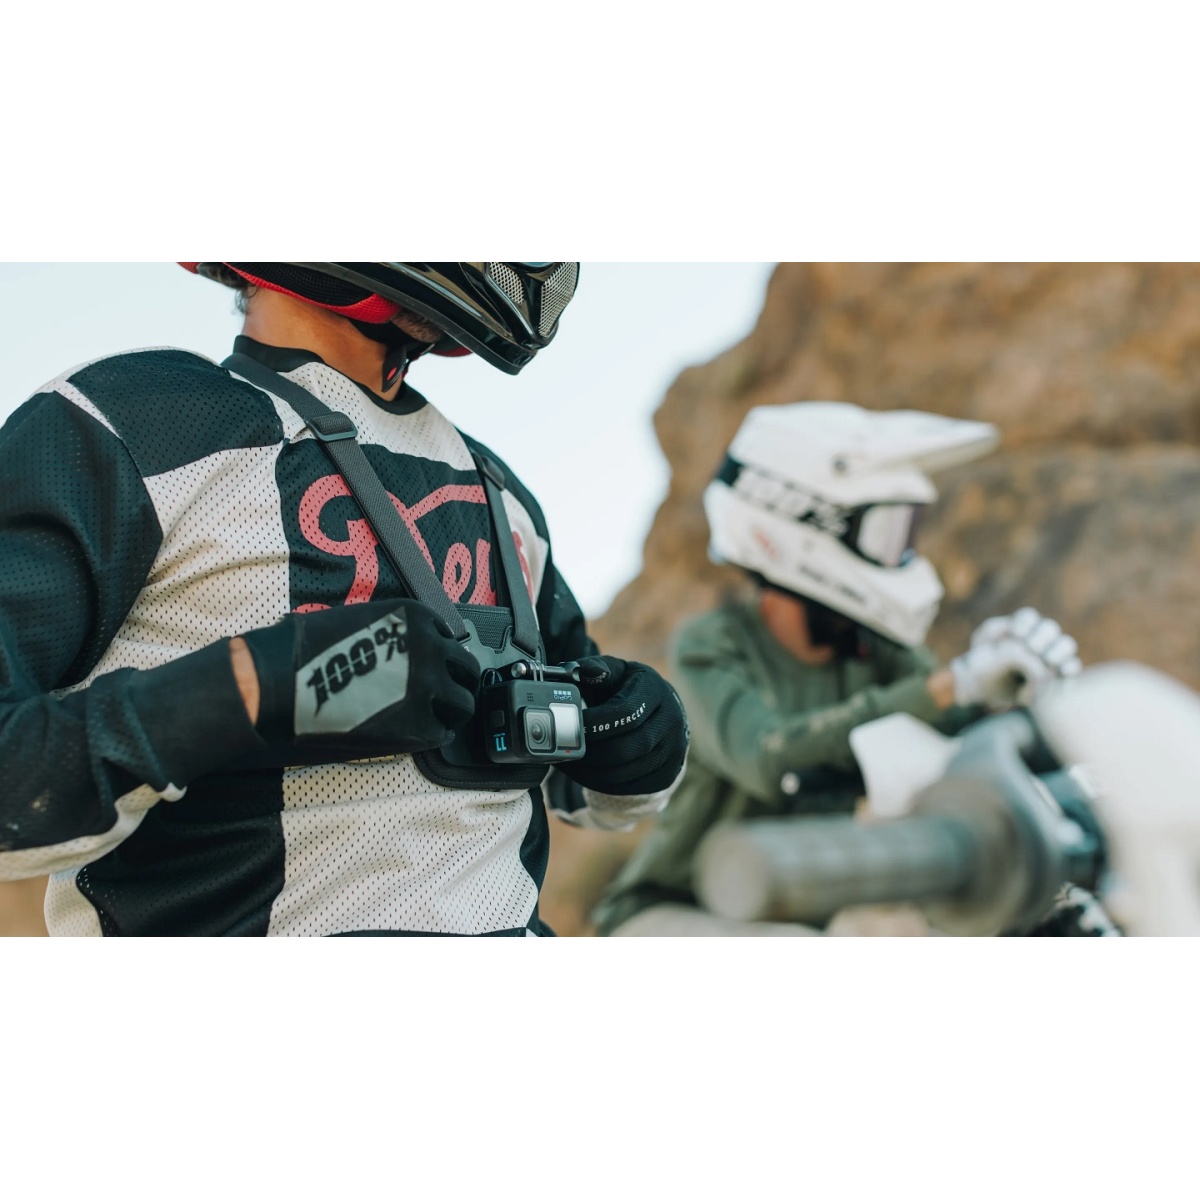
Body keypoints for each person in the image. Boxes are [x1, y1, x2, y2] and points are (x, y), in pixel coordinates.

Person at [0, 262, 688, 936]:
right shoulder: (130, 421)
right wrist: (252, 691)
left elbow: (574, 780)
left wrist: (641, 747)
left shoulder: (499, 489)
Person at [592, 401, 1080, 936]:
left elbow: (955, 724)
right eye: (887, 533)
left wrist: (1008, 689)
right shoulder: (711, 645)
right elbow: (770, 758)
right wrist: (955, 684)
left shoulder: (871, 648)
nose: (903, 555)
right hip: (666, 915)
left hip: (787, 919)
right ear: (802, 519)